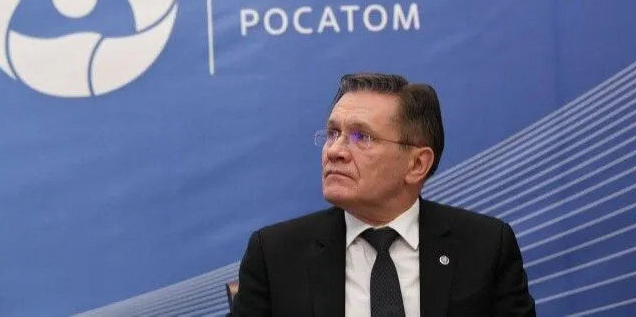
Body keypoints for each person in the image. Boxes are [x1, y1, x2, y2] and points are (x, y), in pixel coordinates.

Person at [229, 73, 536, 317]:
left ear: (417, 164)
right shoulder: (275, 255)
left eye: (361, 136)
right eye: (333, 133)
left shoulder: (485, 247)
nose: (334, 151)